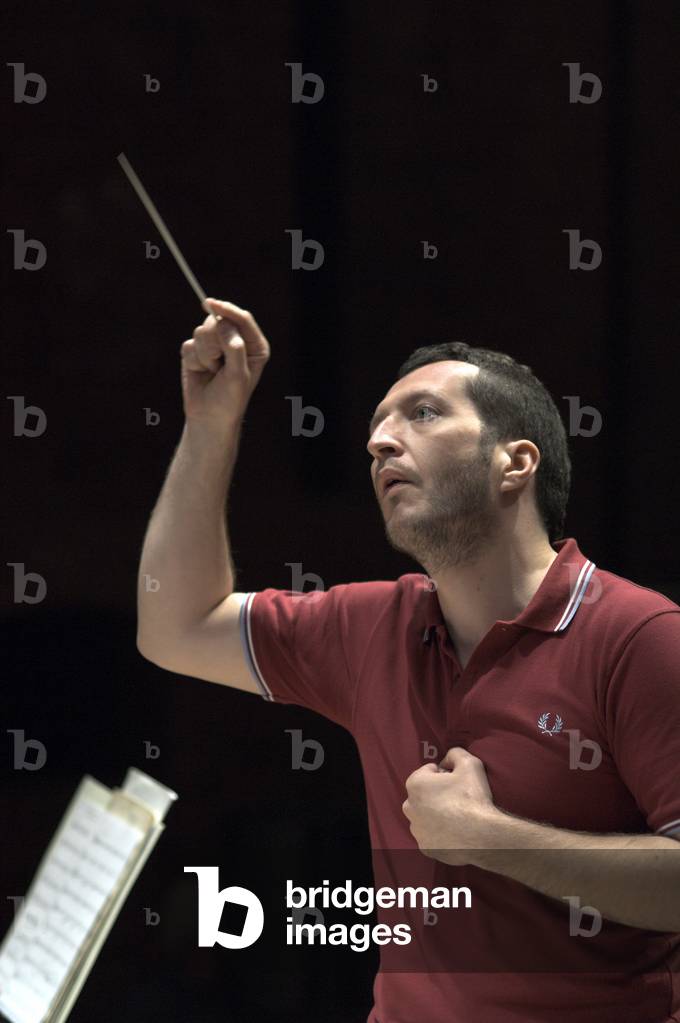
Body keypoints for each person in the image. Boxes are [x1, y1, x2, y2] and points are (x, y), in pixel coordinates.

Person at [137, 297, 680, 1022]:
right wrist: (210, 425)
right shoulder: (372, 625)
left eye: (421, 414)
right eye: (376, 429)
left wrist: (492, 841)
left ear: (514, 462)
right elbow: (175, 626)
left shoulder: (638, 636)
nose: (381, 443)